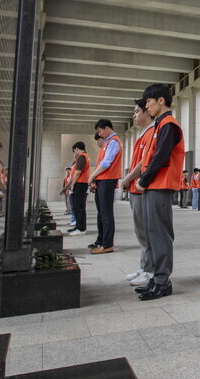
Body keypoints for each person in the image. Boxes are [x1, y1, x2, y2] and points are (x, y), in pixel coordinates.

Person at [135, 83, 185, 301]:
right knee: (151, 232)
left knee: (160, 234)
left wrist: (143, 180)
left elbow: (161, 157)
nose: (147, 107)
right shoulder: (158, 126)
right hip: (153, 185)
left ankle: (163, 281)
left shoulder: (169, 125)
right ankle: (156, 278)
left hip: (160, 184)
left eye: (149, 102)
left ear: (161, 101)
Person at [123, 99, 156, 287]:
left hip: (141, 188)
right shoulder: (143, 134)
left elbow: (144, 162)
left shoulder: (152, 132)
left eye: (137, 112)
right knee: (140, 231)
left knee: (145, 231)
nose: (134, 115)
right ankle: (144, 266)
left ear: (147, 112)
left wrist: (128, 177)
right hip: (135, 187)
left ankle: (149, 270)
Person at [87, 119, 123, 254]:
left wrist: (92, 176)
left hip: (107, 181)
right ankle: (101, 240)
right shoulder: (107, 143)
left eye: (100, 131)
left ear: (107, 128)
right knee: (101, 213)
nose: (100, 134)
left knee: (106, 214)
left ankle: (108, 244)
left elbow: (107, 162)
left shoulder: (113, 141)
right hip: (102, 181)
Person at [68, 141, 91, 236]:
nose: (74, 153)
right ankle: (78, 226)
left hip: (80, 184)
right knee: (78, 207)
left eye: (74, 151)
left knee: (79, 207)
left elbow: (77, 172)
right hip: (82, 184)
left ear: (77, 149)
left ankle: (81, 228)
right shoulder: (85, 157)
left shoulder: (82, 157)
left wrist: (73, 184)